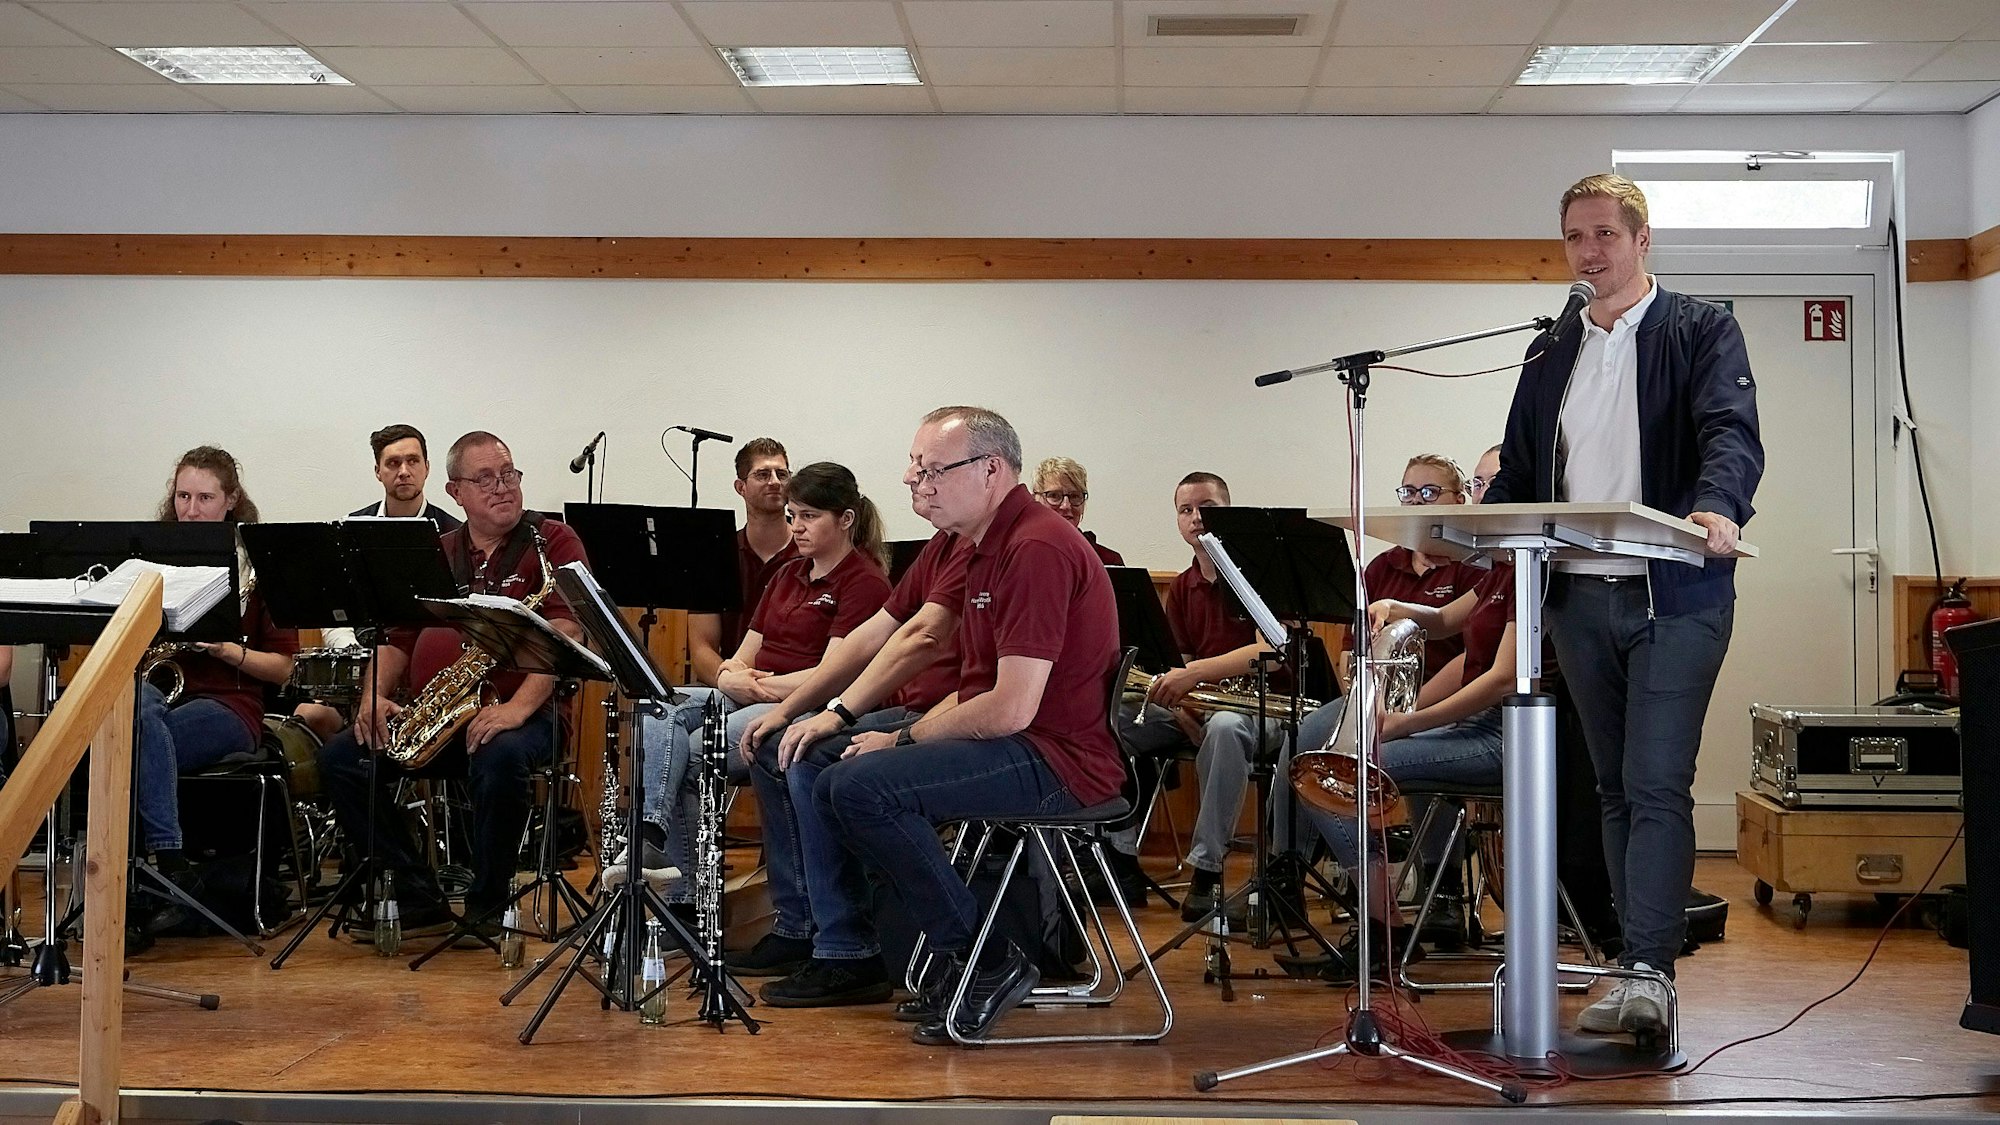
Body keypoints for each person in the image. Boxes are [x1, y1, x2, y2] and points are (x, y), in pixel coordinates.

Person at [1486, 173, 1762, 1037]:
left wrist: (1719, 502)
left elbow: (1730, 431)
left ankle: (1653, 967)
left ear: (1644, 241)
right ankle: (1624, 959)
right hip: (1578, 595)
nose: (1589, 251)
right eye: (1575, 236)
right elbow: (1528, 470)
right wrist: (1483, 510)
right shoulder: (1551, 349)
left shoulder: (1699, 328)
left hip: (1672, 595)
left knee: (1654, 781)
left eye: (1605, 234)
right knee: (1610, 786)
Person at [814, 406, 1121, 1046]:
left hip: (1059, 762)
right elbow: (972, 689)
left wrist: (902, 737)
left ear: (990, 470)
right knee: (833, 778)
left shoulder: (1034, 547)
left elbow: (1010, 708)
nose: (913, 481)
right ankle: (962, 957)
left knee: (861, 788)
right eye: (914, 468)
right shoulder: (978, 544)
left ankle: (982, 960)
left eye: (930, 469)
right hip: (1022, 742)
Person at [319, 431, 591, 936]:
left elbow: (567, 631)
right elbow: (397, 638)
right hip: (440, 715)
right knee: (343, 757)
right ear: (455, 493)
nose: (502, 487)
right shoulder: (436, 551)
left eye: (509, 474)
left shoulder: (552, 540)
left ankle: (487, 907)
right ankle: (416, 895)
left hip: (528, 715)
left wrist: (517, 709)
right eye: (484, 478)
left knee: (501, 755)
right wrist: (373, 695)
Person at [725, 488, 968, 997]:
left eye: (930, 472)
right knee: (781, 745)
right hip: (915, 709)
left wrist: (848, 719)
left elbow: (924, 645)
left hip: (954, 719)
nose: (913, 481)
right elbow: (875, 639)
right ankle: (799, 927)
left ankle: (851, 948)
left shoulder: (993, 551)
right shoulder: (942, 547)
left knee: (818, 763)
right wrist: (794, 713)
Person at [625, 463, 890, 913]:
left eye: (809, 516)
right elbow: (746, 652)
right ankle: (651, 834)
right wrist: (732, 676)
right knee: (656, 707)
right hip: (755, 691)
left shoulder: (864, 582)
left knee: (689, 754)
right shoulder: (789, 574)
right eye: (792, 515)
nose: (797, 527)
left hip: (810, 705)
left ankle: (683, 900)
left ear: (845, 519)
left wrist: (760, 690)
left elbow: (835, 673)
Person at [134, 447, 300, 932]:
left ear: (230, 501)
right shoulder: (149, 566)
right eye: (183, 496)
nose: (191, 509)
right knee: (138, 713)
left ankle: (150, 878)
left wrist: (228, 650)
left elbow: (284, 669)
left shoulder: (260, 571)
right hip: (161, 699)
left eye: (205, 497)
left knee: (130, 744)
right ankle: (169, 866)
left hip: (232, 707)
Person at [1123, 472, 1292, 924]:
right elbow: (1176, 662)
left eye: (1209, 508)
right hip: (1200, 708)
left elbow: (1272, 652)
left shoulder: (1261, 574)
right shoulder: (1180, 586)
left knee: (1225, 728)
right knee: (1116, 720)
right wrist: (1181, 710)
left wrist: (1196, 680)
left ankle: (1207, 869)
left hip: (1265, 709)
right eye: (1186, 510)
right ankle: (1113, 855)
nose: (1197, 518)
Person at [686, 438, 797, 688]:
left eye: (782, 474)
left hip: (792, 688)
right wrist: (734, 683)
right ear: (740, 487)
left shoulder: (811, 553)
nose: (775, 482)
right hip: (728, 682)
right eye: (762, 474)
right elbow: (702, 649)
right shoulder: (715, 555)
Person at [348, 423, 463, 530]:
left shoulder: (455, 535)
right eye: (393, 463)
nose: (404, 472)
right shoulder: (350, 529)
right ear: (378, 471)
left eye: (413, 461)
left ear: (427, 468)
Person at [1032, 456, 1123, 565]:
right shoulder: (1017, 556)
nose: (1066, 506)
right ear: (1035, 500)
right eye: (1054, 496)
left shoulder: (1108, 561)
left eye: (1075, 496)